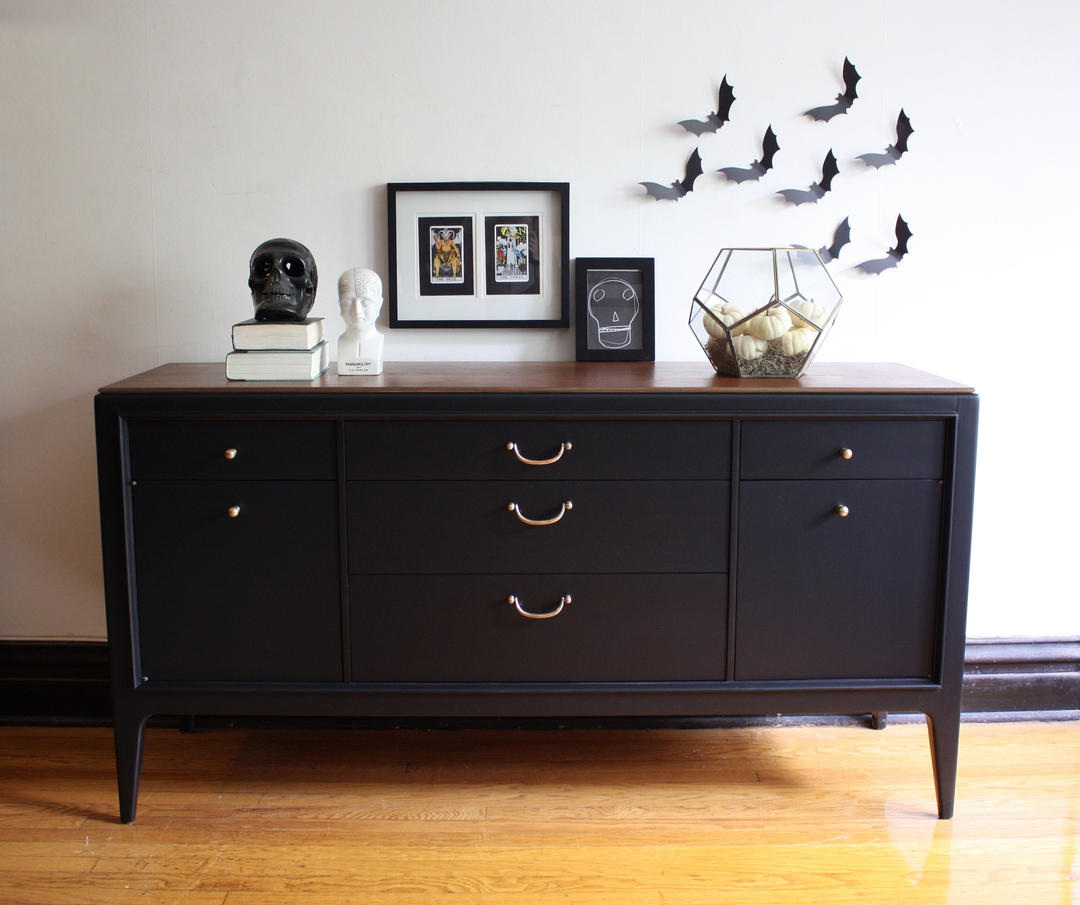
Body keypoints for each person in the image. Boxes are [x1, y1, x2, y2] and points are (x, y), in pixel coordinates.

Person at [336, 267, 384, 375]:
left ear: (379, 305)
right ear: (340, 305)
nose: (357, 311)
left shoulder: (378, 341)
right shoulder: (341, 342)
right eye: (347, 303)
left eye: (365, 303)